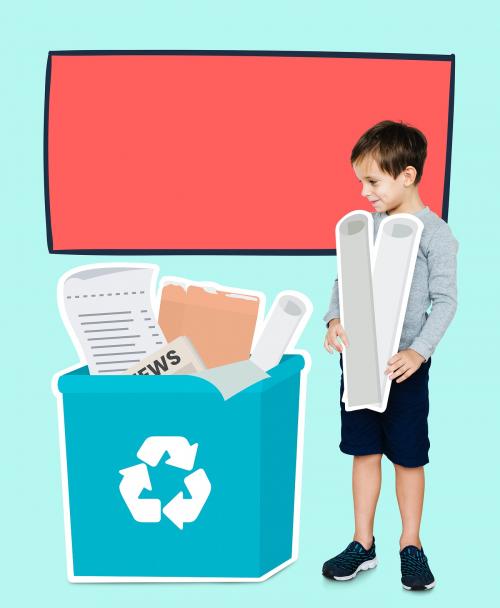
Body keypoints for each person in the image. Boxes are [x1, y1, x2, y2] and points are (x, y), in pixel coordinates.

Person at [322, 120, 458, 591]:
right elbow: (345, 278)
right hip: (358, 361)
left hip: (403, 368)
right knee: (363, 451)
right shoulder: (367, 229)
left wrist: (419, 353)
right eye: (360, 181)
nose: (363, 192)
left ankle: (411, 545)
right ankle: (363, 544)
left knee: (407, 457)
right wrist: (333, 319)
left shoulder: (435, 235)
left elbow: (445, 301)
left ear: (407, 174)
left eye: (372, 181)